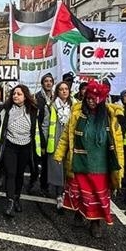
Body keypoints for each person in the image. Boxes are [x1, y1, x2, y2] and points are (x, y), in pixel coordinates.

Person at [53, 80, 125, 238]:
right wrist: (59, 154)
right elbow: (66, 136)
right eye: (89, 98)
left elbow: (118, 143)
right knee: (78, 193)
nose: (91, 101)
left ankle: (95, 223)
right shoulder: (77, 113)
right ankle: (79, 213)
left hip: (100, 165)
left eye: (95, 98)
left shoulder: (110, 117)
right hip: (79, 162)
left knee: (97, 196)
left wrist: (120, 165)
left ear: (101, 99)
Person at [0, 85, 42, 218]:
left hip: (26, 147)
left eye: (19, 94)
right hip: (9, 146)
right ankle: (10, 202)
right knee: (10, 173)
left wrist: (42, 146)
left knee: (19, 174)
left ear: (25, 96)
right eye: (14, 94)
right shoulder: (5, 109)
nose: (15, 96)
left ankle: (17, 197)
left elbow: (38, 129)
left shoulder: (33, 110)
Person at [41, 81, 76, 211]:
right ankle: (59, 195)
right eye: (61, 89)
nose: (64, 91)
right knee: (57, 169)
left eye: (66, 89)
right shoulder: (50, 106)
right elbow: (45, 124)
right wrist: (44, 142)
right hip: (55, 139)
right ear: (57, 92)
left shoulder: (76, 105)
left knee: (70, 168)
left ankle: (69, 194)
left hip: (70, 140)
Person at [32, 73, 55, 195]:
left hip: (52, 136)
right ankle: (32, 181)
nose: (48, 83)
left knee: (47, 163)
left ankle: (44, 186)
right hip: (39, 135)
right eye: (46, 81)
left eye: (50, 81)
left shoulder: (56, 98)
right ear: (42, 83)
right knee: (35, 162)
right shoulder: (37, 97)